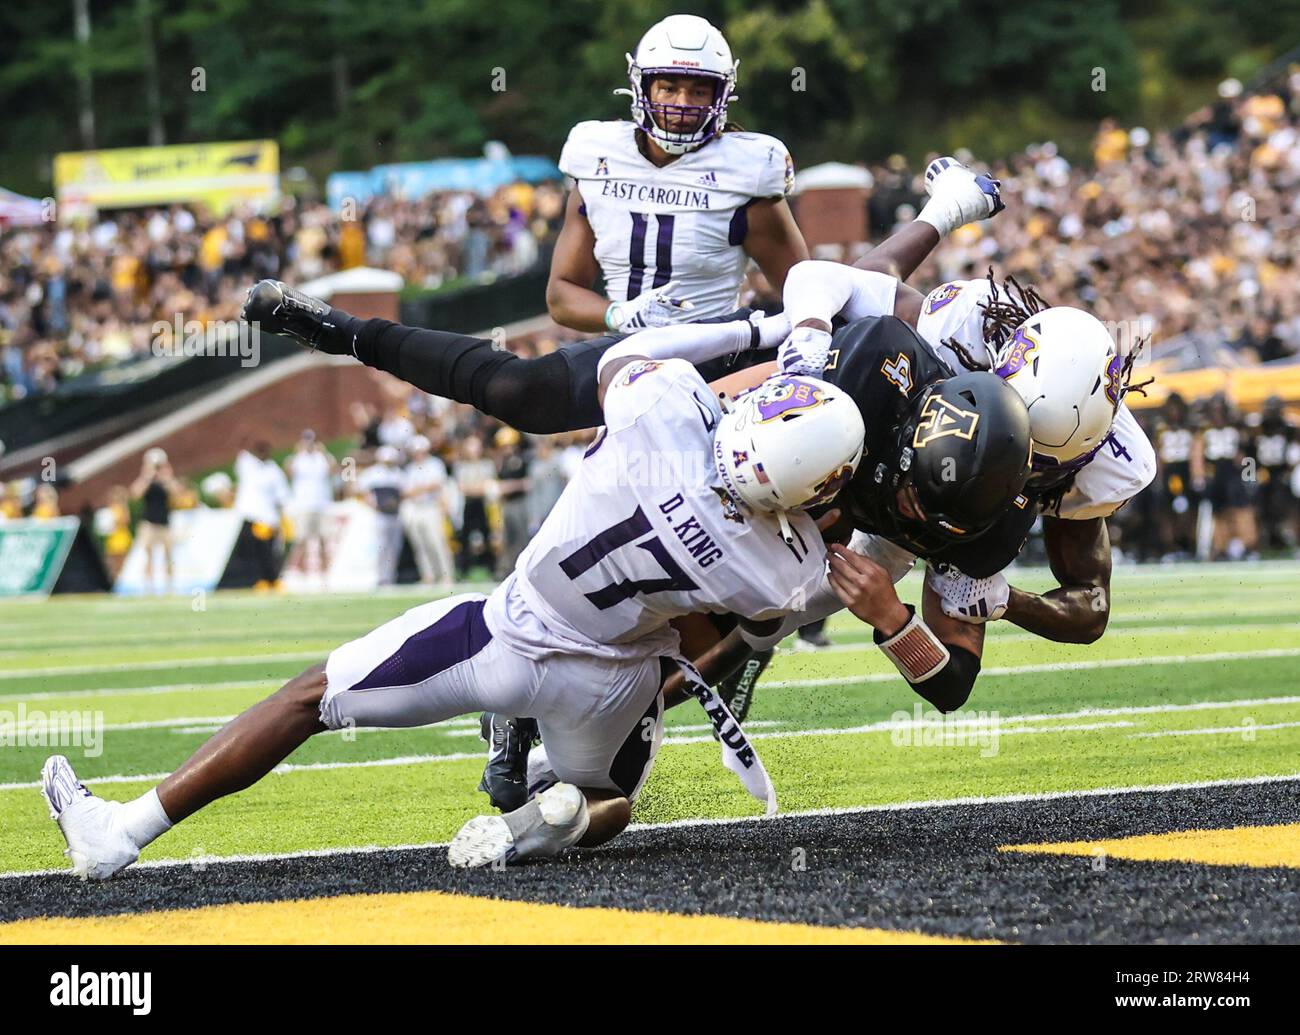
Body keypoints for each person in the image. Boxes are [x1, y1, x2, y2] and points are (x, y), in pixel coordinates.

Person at [40, 329, 867, 877]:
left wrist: (764, 345)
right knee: (611, 799)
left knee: (308, 698)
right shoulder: (777, 567)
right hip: (612, 684)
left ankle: (124, 832)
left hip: (506, 638)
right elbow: (731, 618)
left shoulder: (663, 408)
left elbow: (629, 356)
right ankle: (555, 811)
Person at [546, 14, 807, 334]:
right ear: (642, 87)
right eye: (668, 88)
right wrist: (618, 315)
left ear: (720, 96)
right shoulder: (598, 155)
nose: (682, 104)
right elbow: (561, 294)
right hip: (619, 352)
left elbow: (803, 293)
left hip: (711, 356)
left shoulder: (746, 171)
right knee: (512, 384)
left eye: (698, 92)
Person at [400, 435, 455, 589]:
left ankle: (446, 576)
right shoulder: (410, 468)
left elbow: (436, 484)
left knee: (436, 543)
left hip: (431, 507)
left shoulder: (434, 464)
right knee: (420, 544)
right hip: (416, 508)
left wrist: (418, 489)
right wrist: (422, 488)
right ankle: (428, 576)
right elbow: (406, 492)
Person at [233, 442, 290, 590]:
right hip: (248, 517)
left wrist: (281, 520)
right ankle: (258, 581)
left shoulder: (274, 471)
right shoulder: (248, 465)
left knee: (267, 552)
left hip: (266, 519)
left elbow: (282, 497)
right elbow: (240, 450)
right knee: (250, 553)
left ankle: (272, 580)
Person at [129, 447, 182, 594]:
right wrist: (147, 475)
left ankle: (170, 586)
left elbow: (178, 494)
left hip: (165, 522)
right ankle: (149, 587)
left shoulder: (165, 480)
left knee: (169, 555)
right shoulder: (147, 480)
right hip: (149, 523)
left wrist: (167, 477)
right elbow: (134, 494)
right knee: (148, 555)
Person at [286, 430, 337, 579]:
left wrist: (324, 453)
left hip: (322, 505)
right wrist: (297, 452)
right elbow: (288, 471)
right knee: (301, 540)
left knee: (324, 540)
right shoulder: (297, 458)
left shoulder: (323, 457)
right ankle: (300, 574)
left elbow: (333, 470)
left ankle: (325, 574)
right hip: (303, 506)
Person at [359, 445, 406, 586]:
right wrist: (373, 504)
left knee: (394, 547)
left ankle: (391, 577)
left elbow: (405, 492)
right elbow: (360, 490)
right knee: (382, 547)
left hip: (395, 514)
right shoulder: (372, 473)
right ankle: (381, 578)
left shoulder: (398, 473)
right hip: (379, 515)